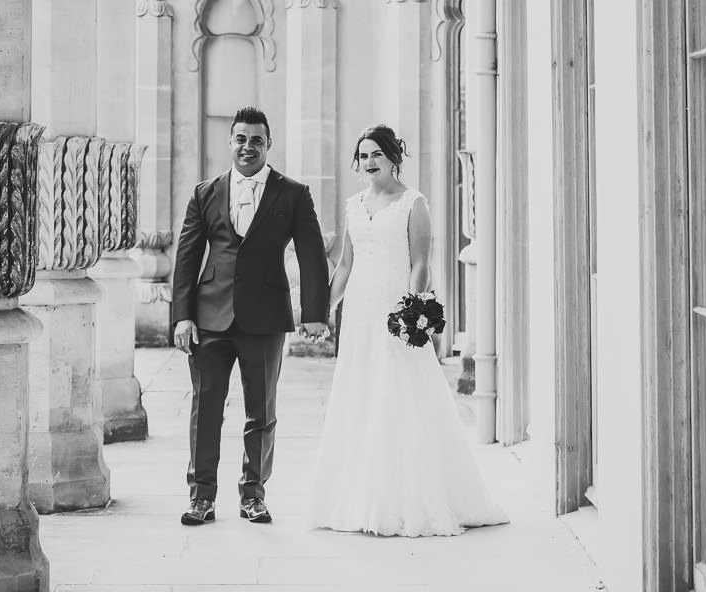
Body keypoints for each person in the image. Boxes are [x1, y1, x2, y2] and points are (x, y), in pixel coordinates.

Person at [308, 123, 508, 537]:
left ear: (392, 157)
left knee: (399, 395)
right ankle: (359, 496)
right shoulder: (353, 205)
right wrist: (324, 310)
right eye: (362, 155)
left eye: (375, 154)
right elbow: (345, 265)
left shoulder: (413, 203)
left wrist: (411, 309)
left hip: (394, 312)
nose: (368, 162)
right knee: (361, 393)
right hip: (360, 314)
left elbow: (421, 261)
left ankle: (409, 497)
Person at [172, 106, 329, 527]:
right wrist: (181, 316)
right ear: (230, 142)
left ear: (268, 144)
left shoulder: (293, 193)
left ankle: (253, 495)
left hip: (265, 318)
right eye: (240, 138)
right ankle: (201, 497)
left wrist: (315, 313)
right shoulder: (205, 192)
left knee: (261, 411)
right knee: (205, 409)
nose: (247, 147)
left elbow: (312, 255)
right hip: (209, 318)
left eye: (256, 140)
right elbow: (186, 258)